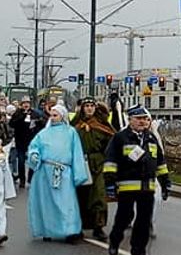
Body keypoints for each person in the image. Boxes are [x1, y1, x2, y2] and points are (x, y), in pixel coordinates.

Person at [103, 105, 170, 255]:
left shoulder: (151, 138)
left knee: (143, 222)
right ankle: (115, 241)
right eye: (139, 119)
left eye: (145, 119)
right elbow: (110, 161)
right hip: (127, 186)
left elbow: (160, 163)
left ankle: (138, 254)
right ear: (130, 120)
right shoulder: (120, 138)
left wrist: (165, 183)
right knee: (124, 217)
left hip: (147, 187)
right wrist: (110, 183)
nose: (142, 122)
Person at [27, 103, 90, 243]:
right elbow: (34, 147)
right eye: (51, 115)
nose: (52, 118)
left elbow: (77, 153)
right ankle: (47, 230)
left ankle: (71, 231)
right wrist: (34, 155)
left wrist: (78, 174)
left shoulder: (71, 132)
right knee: (46, 203)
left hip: (64, 173)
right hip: (44, 173)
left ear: (62, 116)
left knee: (67, 203)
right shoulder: (43, 133)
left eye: (55, 115)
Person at [73, 96, 114, 240]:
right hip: (80, 163)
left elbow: (112, 143)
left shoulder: (102, 125)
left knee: (98, 195)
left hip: (98, 164)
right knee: (80, 196)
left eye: (92, 106)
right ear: (82, 108)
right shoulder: (75, 126)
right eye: (87, 106)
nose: (89, 108)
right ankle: (78, 227)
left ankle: (98, 226)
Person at [9, 99, 43, 189]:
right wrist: (22, 116)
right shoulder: (17, 113)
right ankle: (22, 180)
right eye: (24, 103)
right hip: (20, 140)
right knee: (21, 161)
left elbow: (41, 124)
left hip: (31, 140)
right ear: (21, 105)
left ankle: (30, 179)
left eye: (27, 103)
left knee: (32, 160)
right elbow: (11, 124)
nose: (26, 105)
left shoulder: (34, 113)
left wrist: (38, 122)